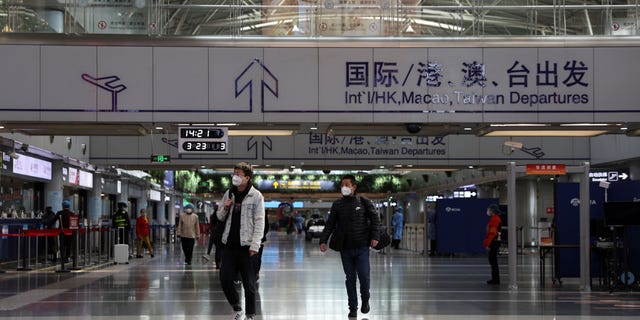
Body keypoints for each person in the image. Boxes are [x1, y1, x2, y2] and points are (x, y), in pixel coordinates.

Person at [319, 174, 380, 318]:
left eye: (347, 185)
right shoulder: (337, 204)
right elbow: (330, 224)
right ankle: (352, 307)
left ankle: (365, 300)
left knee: (364, 276)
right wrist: (323, 240)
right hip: (345, 248)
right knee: (350, 278)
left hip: (362, 247)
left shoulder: (363, 201)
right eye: (342, 185)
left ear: (354, 187)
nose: (344, 188)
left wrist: (375, 237)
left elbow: (375, 219)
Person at [216, 162, 265, 320]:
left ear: (247, 177)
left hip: (247, 246)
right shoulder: (229, 193)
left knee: (249, 284)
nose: (235, 177)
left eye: (238, 174)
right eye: (234, 173)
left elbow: (260, 222)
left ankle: (250, 314)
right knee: (225, 278)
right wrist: (225, 207)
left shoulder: (256, 196)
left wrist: (255, 245)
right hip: (229, 245)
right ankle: (237, 307)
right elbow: (219, 217)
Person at [483, 203, 503, 285]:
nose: (487, 211)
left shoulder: (495, 219)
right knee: (493, 261)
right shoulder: (495, 218)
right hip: (494, 242)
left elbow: (492, 233)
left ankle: (495, 280)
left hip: (493, 242)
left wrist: (487, 244)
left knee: (493, 261)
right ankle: (495, 279)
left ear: (492, 211)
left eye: (489, 210)